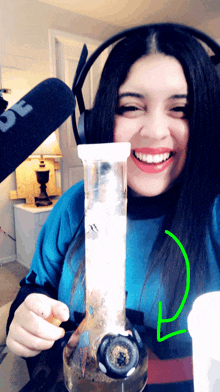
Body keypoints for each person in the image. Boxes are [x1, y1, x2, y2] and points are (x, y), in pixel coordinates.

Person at [6, 23, 220, 391]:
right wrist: (25, 321)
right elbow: (32, 292)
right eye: (131, 107)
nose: (154, 131)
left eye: (181, 110)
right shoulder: (73, 206)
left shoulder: (214, 214)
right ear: (95, 122)